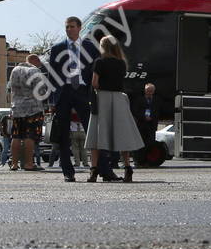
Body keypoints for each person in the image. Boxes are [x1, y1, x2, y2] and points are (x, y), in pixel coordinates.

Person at [46, 16, 102, 183]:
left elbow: (97, 70)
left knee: (93, 131)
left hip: (83, 92)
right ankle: (67, 172)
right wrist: (52, 101)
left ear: (79, 28)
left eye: (72, 26)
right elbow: (52, 76)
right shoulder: (57, 49)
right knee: (63, 134)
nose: (69, 29)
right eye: (66, 27)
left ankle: (102, 170)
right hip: (64, 93)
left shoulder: (91, 48)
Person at [83, 35, 145, 183]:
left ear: (103, 46)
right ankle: (128, 168)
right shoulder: (122, 63)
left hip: (102, 98)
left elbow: (95, 83)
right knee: (122, 134)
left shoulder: (100, 62)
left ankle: (93, 171)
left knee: (96, 136)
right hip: (119, 99)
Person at [7, 53, 47, 172]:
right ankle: (29, 164)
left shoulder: (15, 70)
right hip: (32, 109)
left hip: (17, 108)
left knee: (16, 136)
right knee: (30, 136)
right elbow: (41, 91)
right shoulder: (35, 72)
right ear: (35, 61)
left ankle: (14, 164)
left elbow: (10, 88)